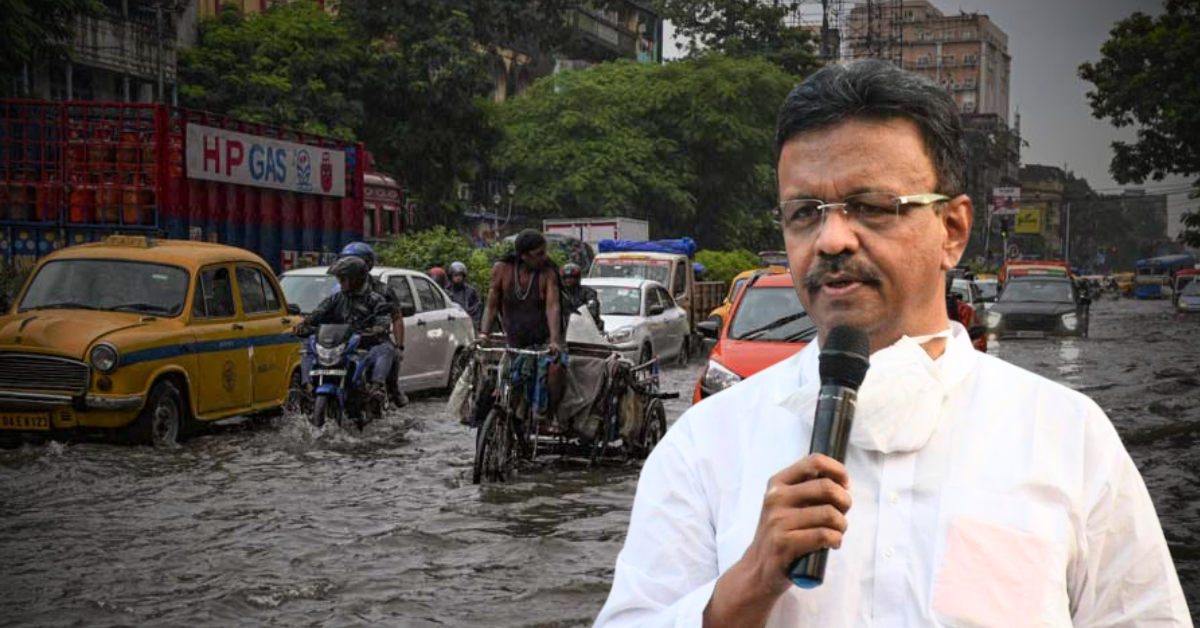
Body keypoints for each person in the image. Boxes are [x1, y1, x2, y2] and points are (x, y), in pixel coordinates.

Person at [595, 60, 1190, 627]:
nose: (831, 239)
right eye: (805, 212)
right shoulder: (706, 446)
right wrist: (751, 579)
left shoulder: (1066, 437)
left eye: (872, 207)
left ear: (952, 230)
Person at [480, 229, 566, 414]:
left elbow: (553, 307)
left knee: (556, 369)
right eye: (539, 254)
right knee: (494, 381)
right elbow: (491, 306)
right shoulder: (502, 270)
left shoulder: (548, 273)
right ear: (524, 256)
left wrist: (554, 340)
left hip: (544, 343)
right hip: (514, 343)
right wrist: (484, 334)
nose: (544, 257)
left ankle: (550, 415)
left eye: (544, 252)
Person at [295, 256, 395, 401]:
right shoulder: (336, 298)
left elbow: (383, 317)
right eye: (339, 279)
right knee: (307, 346)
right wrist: (304, 324)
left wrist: (378, 328)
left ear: (356, 279)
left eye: (343, 279)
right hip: (337, 343)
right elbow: (319, 312)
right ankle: (307, 386)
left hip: (365, 343)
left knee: (386, 349)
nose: (340, 283)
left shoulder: (375, 299)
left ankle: (375, 388)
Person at [340, 241, 408, 407]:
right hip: (345, 340)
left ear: (367, 265)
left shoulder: (383, 290)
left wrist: (399, 346)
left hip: (375, 340)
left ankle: (387, 389)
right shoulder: (338, 290)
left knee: (390, 352)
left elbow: (396, 318)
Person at [559, 262, 603, 332]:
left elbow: (593, 309)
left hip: (586, 329)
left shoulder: (588, 292)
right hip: (565, 329)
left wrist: (580, 315)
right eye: (565, 278)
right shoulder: (559, 293)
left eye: (572, 277)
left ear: (578, 278)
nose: (568, 280)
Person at [446, 261, 483, 330]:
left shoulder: (471, 291)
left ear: (463, 276)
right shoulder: (446, 291)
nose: (458, 277)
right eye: (455, 275)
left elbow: (477, 307)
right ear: (451, 276)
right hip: (451, 323)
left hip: (469, 323)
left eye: (460, 275)